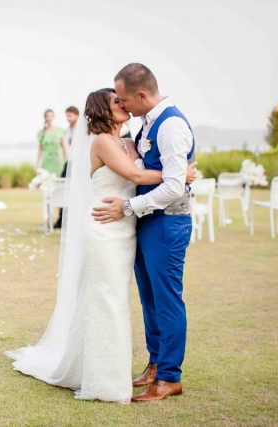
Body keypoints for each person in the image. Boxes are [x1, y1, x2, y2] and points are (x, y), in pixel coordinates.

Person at [6, 88, 197, 403]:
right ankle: (103, 378)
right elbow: (136, 173)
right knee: (106, 302)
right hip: (104, 228)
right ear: (102, 110)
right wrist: (179, 175)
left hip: (127, 230)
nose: (122, 104)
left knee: (118, 301)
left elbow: (141, 171)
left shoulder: (129, 141)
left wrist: (176, 171)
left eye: (123, 100)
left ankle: (122, 368)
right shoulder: (101, 142)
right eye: (115, 102)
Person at [93, 63, 196, 402]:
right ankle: (155, 364)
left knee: (167, 299)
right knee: (149, 298)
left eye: (124, 100)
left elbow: (172, 187)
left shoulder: (171, 126)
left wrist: (126, 208)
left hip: (167, 221)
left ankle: (169, 377)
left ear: (140, 94)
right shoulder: (144, 125)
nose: (123, 107)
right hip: (146, 223)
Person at [52, 106, 80, 228]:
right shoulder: (67, 130)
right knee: (63, 189)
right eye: (66, 116)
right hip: (68, 163)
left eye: (70, 116)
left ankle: (74, 219)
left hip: (79, 164)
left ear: (77, 115)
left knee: (76, 191)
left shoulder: (81, 129)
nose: (68, 118)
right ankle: (61, 218)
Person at [35, 109, 66, 176]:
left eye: (51, 116)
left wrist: (66, 162)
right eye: (47, 116)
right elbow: (39, 151)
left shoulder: (60, 131)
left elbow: (64, 148)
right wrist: (36, 165)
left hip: (58, 161)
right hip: (46, 161)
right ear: (45, 118)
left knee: (59, 181)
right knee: (46, 181)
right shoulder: (42, 133)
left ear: (53, 117)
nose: (49, 118)